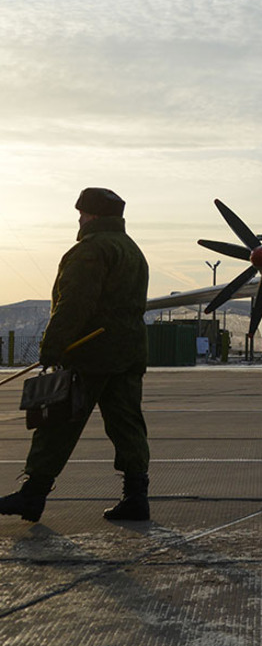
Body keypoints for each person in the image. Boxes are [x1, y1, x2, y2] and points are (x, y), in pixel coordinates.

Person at [0, 188, 151, 523]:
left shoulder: (91, 251)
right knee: (128, 425)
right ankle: (136, 496)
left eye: (82, 213)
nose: (79, 219)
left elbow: (75, 303)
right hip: (128, 352)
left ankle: (33, 494)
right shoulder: (132, 250)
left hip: (88, 352)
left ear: (93, 215)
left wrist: (53, 346)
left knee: (57, 422)